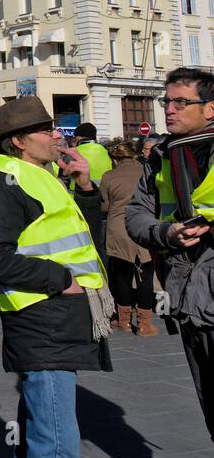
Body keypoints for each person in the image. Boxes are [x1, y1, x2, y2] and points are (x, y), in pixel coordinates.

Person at [0, 97, 111, 458]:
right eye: (46, 130)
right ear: (18, 141)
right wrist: (61, 279)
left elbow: (78, 239)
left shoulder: (37, 176)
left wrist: (84, 188)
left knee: (40, 429)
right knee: (57, 444)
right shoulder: (5, 182)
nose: (56, 136)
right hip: (42, 317)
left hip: (57, 316)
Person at [126, 67, 214, 443]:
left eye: (181, 102)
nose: (170, 109)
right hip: (190, 301)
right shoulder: (162, 158)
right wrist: (167, 231)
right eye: (167, 102)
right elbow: (136, 215)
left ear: (210, 108)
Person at [99, 139, 158, 337]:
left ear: (115, 159)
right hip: (144, 225)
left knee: (121, 275)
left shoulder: (109, 176)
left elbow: (105, 207)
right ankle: (144, 324)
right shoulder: (146, 170)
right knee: (145, 275)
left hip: (118, 227)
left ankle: (123, 320)